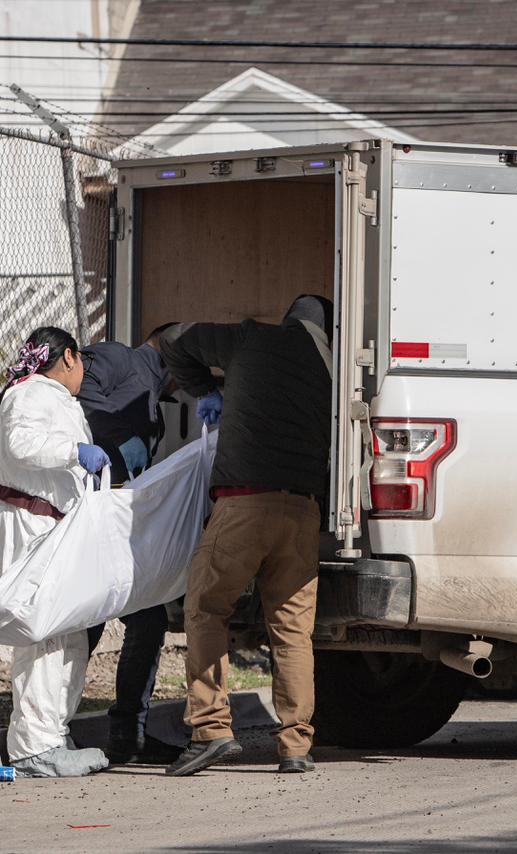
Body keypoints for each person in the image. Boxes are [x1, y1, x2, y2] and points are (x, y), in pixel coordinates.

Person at [158, 295, 334, 776]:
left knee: (205, 606)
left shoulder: (252, 337)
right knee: (292, 630)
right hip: (303, 510)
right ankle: (295, 745)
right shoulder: (333, 371)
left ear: (289, 318)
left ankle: (210, 728)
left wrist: (204, 388)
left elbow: (172, 337)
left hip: (245, 503)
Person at [0, 326, 113, 778]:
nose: (84, 373)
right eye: (83, 363)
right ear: (69, 357)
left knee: (68, 635)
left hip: (46, 527)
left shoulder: (52, 397)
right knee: (43, 638)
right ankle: (34, 748)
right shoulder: (30, 392)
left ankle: (52, 734)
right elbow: (22, 445)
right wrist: (74, 450)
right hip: (26, 525)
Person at [76, 324, 184, 765]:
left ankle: (129, 735)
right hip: (93, 517)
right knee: (88, 623)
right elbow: (75, 389)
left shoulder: (153, 394)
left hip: (119, 524)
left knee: (148, 620)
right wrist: (115, 436)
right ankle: (51, 725)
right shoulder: (119, 358)